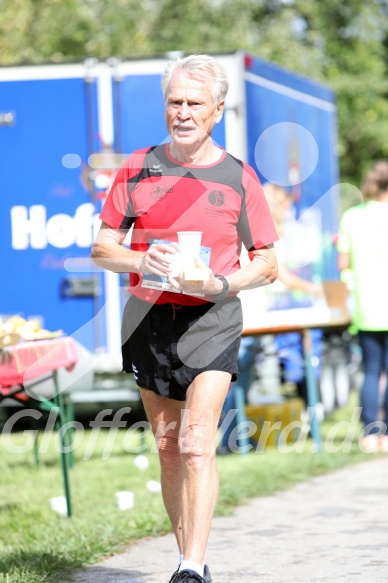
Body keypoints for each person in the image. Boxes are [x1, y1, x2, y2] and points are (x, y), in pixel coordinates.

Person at [91, 54, 278, 583]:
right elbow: (102, 248)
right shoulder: (137, 167)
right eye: (175, 102)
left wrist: (219, 283)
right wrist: (138, 260)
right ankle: (186, 558)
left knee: (197, 441)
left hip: (212, 319)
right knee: (170, 446)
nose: (183, 112)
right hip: (148, 319)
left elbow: (267, 263)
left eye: (195, 103)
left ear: (217, 110)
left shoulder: (239, 177)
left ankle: (191, 569)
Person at [337, 161, 388, 453]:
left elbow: (343, 264)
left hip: (367, 304)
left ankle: (371, 433)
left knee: (371, 369)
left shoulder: (352, 218)